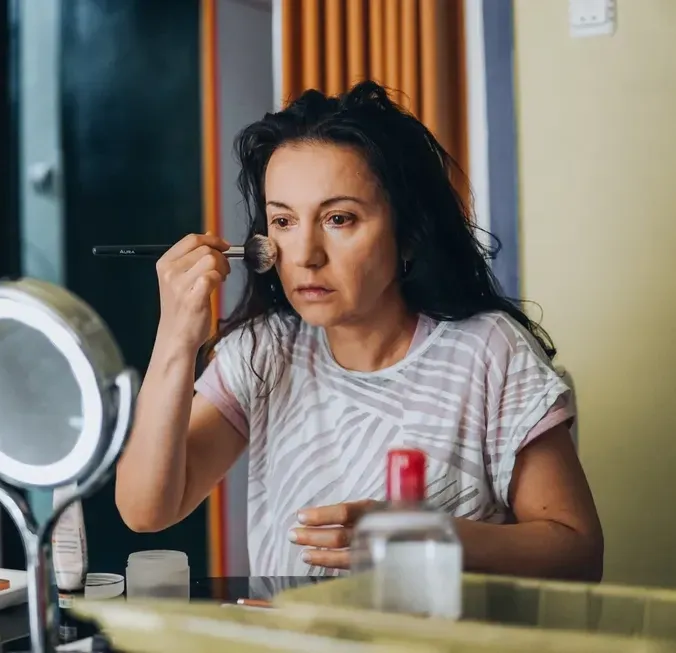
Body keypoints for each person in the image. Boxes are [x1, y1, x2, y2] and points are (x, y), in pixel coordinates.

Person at [114, 81, 603, 581]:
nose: (306, 255)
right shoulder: (264, 352)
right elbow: (145, 510)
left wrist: (425, 537)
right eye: (283, 221)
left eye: (339, 218)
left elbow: (578, 553)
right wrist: (176, 338)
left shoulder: (488, 352)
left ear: (407, 234)